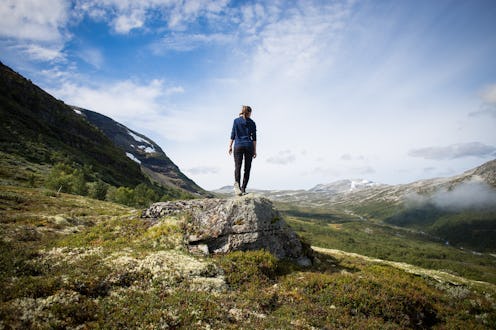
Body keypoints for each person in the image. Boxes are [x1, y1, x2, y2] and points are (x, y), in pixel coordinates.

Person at [228, 105, 257, 196]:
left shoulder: (236, 121)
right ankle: (243, 188)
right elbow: (254, 138)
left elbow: (233, 134)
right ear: (249, 113)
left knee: (238, 167)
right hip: (249, 146)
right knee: (247, 168)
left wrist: (230, 146)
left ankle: (237, 187)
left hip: (238, 146)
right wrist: (255, 150)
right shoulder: (252, 123)